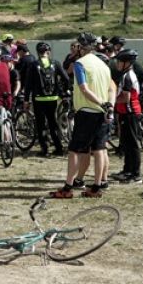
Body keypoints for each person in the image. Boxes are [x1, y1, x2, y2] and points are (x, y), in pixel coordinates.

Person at [49, 32, 115, 199]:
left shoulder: (80, 64)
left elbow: (84, 89)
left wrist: (100, 103)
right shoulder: (103, 65)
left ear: (80, 47)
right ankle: (97, 186)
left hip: (87, 112)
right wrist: (108, 106)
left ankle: (68, 187)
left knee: (74, 151)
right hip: (102, 114)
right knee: (99, 149)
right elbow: (110, 88)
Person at [25, 42, 70, 157]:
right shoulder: (55, 63)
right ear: (48, 51)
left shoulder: (34, 64)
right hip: (53, 98)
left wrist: (26, 100)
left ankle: (45, 149)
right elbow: (66, 78)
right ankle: (58, 148)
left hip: (39, 99)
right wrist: (63, 91)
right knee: (52, 122)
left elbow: (28, 84)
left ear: (37, 52)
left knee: (41, 124)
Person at [110, 49, 143, 184]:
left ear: (127, 63)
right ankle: (127, 170)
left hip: (130, 114)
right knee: (126, 143)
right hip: (124, 113)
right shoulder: (125, 75)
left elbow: (125, 98)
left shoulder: (128, 76)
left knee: (133, 144)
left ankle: (136, 174)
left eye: (119, 61)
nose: (117, 64)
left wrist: (110, 101)